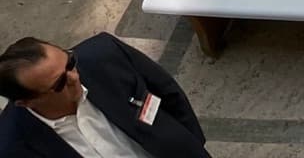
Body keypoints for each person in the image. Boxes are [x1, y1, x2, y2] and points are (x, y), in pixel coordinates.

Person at [0, 34, 208, 158]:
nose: (75, 77)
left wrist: (193, 146)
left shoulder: (105, 55)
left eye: (70, 63)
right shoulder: (13, 147)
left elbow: (169, 92)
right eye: (60, 83)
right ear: (26, 102)